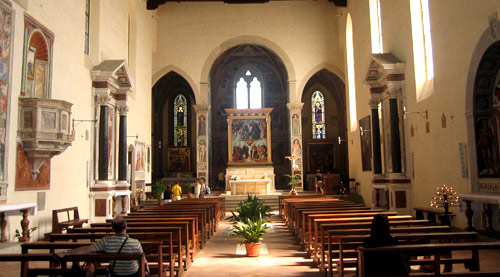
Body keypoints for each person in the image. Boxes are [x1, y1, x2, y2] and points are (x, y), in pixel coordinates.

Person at [56, 217, 148, 277]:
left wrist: (66, 253)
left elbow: (86, 250)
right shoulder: (135, 243)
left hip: (116, 273)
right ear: (126, 228)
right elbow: (143, 260)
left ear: (112, 229)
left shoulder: (106, 241)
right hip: (132, 273)